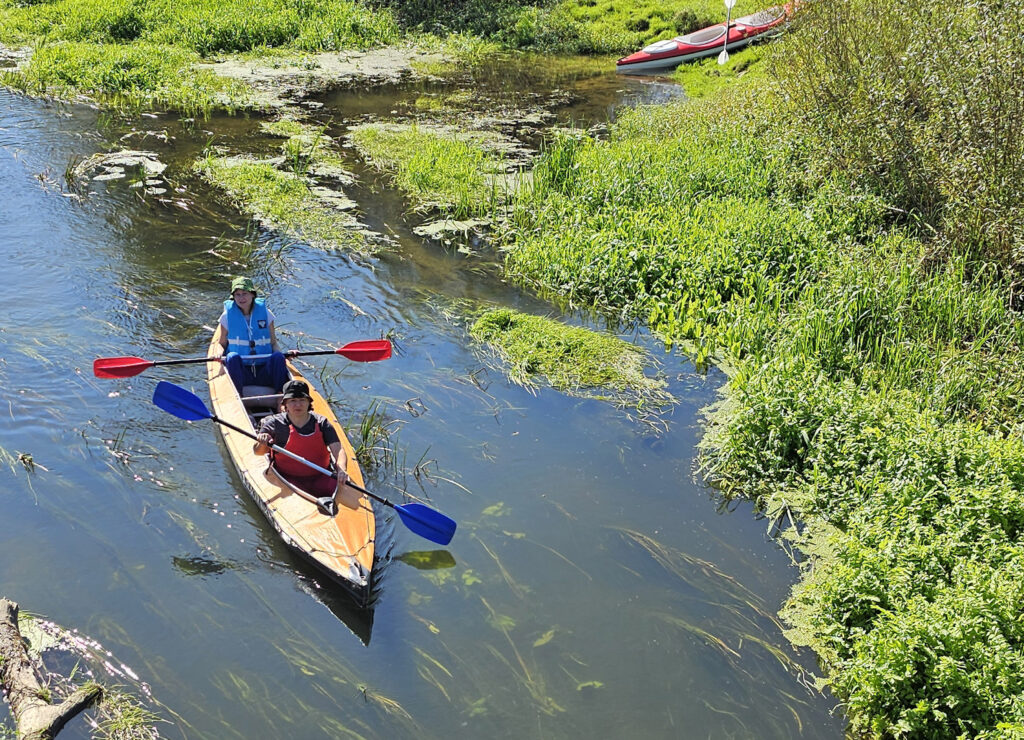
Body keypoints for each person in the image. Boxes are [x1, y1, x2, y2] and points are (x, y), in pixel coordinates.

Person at [253, 379, 360, 512]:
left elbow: (338, 450)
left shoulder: (322, 423)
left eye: (302, 400)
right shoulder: (273, 424)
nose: (298, 405)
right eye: (293, 400)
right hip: (287, 478)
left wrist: (341, 470)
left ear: (309, 402)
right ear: (285, 403)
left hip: (321, 476)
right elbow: (258, 452)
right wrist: (262, 443)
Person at [209, 276, 290, 394]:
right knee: (232, 356)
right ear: (233, 297)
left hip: (264, 368)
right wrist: (218, 353)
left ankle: (280, 396)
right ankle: (238, 395)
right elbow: (221, 343)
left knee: (277, 357)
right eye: (237, 295)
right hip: (241, 370)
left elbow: (273, 343)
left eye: (244, 293)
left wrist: (282, 356)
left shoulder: (266, 314)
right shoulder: (227, 316)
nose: (241, 298)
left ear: (252, 294)